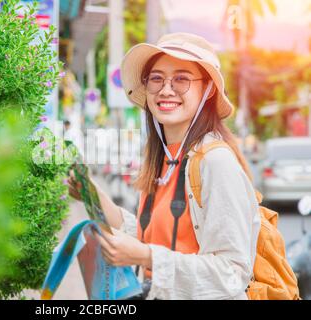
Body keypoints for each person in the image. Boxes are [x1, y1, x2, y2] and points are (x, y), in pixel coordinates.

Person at [68, 32, 261, 300]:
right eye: (156, 79)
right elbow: (152, 237)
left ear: (208, 90)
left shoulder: (216, 161)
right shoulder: (165, 159)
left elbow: (231, 273)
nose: (166, 89)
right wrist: (94, 196)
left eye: (182, 79)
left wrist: (146, 257)